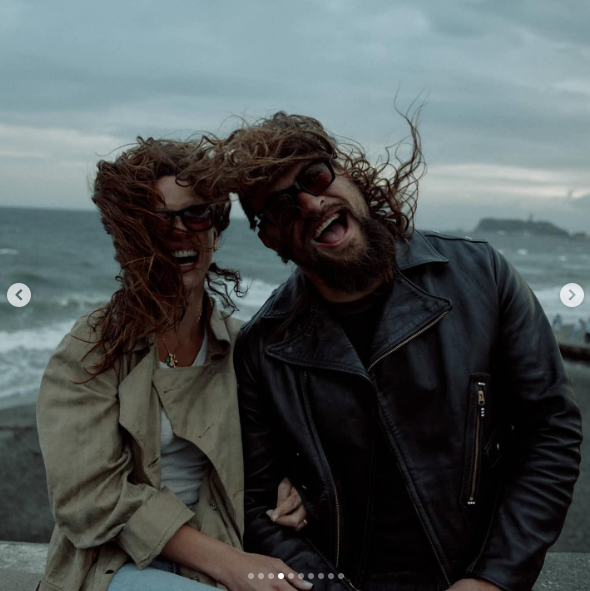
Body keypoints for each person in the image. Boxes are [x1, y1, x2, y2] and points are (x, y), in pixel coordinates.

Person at [210, 112, 582, 591]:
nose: (309, 201)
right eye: (281, 207)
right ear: (269, 237)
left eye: (315, 176)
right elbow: (258, 508)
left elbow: (549, 430)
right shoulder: (264, 349)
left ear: (346, 175)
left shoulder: (481, 277)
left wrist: (493, 579)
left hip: (472, 574)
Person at [36, 138, 312, 591]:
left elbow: (282, 443)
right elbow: (89, 499)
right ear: (129, 236)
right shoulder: (89, 350)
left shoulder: (243, 345)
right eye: (155, 220)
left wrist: (298, 484)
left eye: (196, 214)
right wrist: (230, 565)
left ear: (216, 229)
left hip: (219, 546)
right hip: (113, 565)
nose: (179, 232)